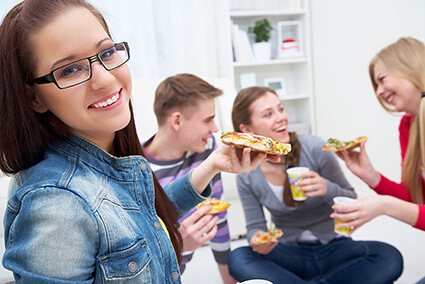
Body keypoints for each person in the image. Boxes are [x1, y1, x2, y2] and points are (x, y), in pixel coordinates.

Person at [0, 1, 276, 283]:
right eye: (70, 70)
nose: (105, 80)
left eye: (106, 53)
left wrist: (213, 164)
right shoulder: (55, 203)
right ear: (33, 97)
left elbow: (138, 214)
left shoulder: (105, 162)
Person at [226, 86, 403, 284]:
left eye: (280, 109)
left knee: (389, 258)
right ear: (247, 130)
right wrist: (257, 238)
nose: (281, 117)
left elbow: (351, 199)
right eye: (268, 114)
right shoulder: (246, 173)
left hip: (334, 247)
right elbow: (255, 226)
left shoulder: (315, 148)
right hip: (288, 252)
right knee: (238, 258)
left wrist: (327, 188)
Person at [143, 73, 236, 283]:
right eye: (208, 119)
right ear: (177, 120)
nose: (215, 128)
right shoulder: (137, 172)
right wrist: (177, 245)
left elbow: (217, 218)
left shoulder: (208, 148)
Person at [331, 38, 425, 239]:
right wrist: (371, 176)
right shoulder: (408, 126)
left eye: (382, 79)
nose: (379, 91)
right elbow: (414, 202)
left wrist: (384, 205)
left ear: (411, 69)